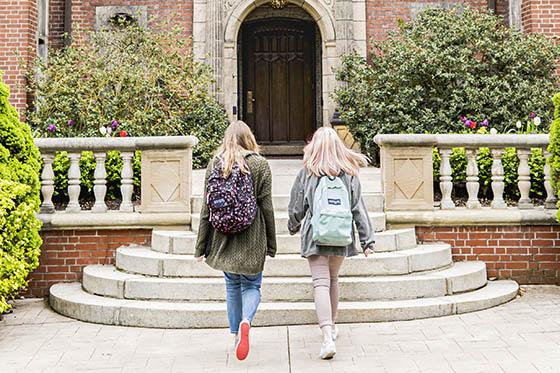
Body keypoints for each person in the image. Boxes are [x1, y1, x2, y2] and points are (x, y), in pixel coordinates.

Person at [287, 127, 375, 360]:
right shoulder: (350, 173)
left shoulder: (308, 172)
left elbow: (297, 207)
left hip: (316, 235)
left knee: (320, 283)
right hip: (341, 235)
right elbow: (358, 208)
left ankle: (326, 335)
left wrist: (293, 226)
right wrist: (367, 240)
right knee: (333, 279)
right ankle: (332, 327)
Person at [194, 121, 277, 361]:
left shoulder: (215, 164)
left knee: (232, 286)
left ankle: (234, 335)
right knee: (252, 286)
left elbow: (205, 209)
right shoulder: (260, 165)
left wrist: (201, 246)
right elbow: (266, 206)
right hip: (253, 236)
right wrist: (271, 243)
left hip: (223, 236)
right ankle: (246, 322)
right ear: (249, 138)